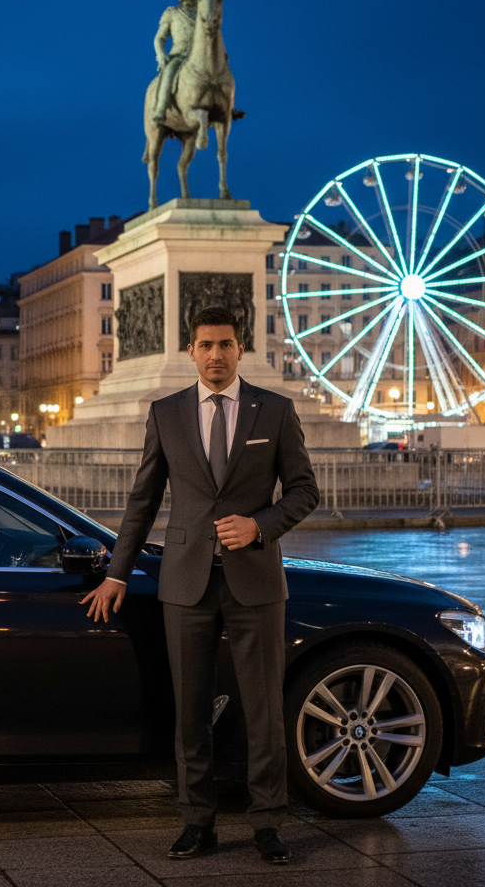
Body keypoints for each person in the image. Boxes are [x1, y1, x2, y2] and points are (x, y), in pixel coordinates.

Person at [83, 305, 319, 865]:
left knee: (264, 709)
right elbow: (143, 500)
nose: (216, 355)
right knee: (189, 710)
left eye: (226, 345)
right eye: (206, 345)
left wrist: (259, 525)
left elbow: (304, 491)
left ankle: (267, 824)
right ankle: (197, 822)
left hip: (256, 581)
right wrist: (117, 572)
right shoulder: (166, 413)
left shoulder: (276, 411)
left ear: (242, 350)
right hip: (184, 582)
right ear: (191, 350)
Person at [151, 0, 200, 125]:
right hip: (179, 55)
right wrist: (160, 55)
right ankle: (161, 108)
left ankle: (226, 107)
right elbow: (160, 37)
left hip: (200, 56)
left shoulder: (202, 13)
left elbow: (213, 34)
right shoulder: (171, 12)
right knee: (169, 73)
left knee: (220, 72)